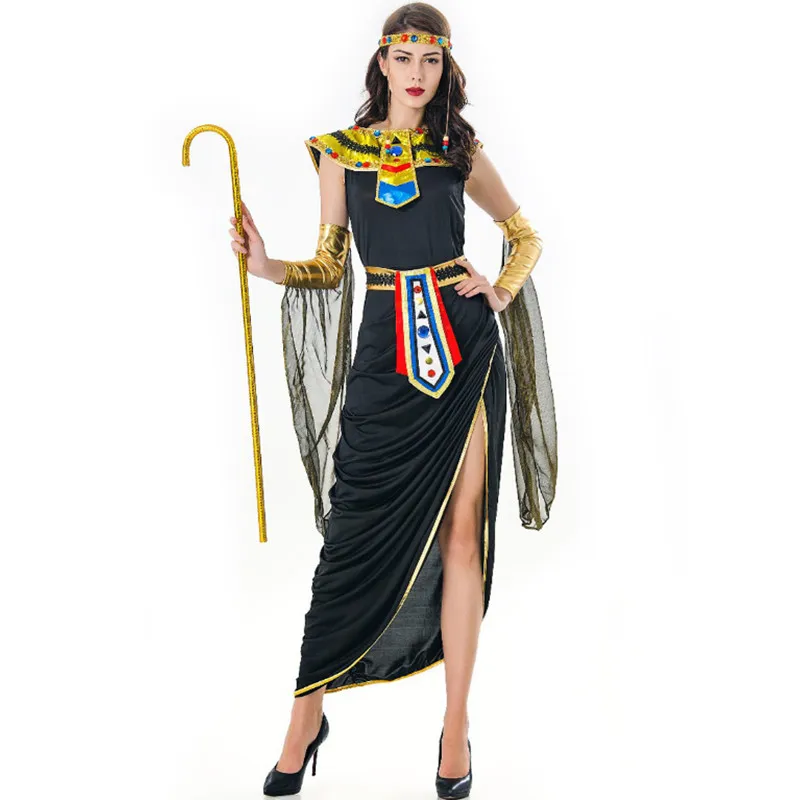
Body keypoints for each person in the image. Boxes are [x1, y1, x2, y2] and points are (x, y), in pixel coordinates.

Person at [228, 4, 557, 797]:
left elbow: (524, 235)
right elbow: (330, 266)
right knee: (347, 540)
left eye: (431, 61)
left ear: (445, 68)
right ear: (381, 62)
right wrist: (267, 266)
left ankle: (455, 728)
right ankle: (305, 720)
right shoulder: (340, 153)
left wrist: (498, 291)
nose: (417, 74)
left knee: (462, 537)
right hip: (383, 361)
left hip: (463, 356)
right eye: (404, 59)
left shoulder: (459, 148)